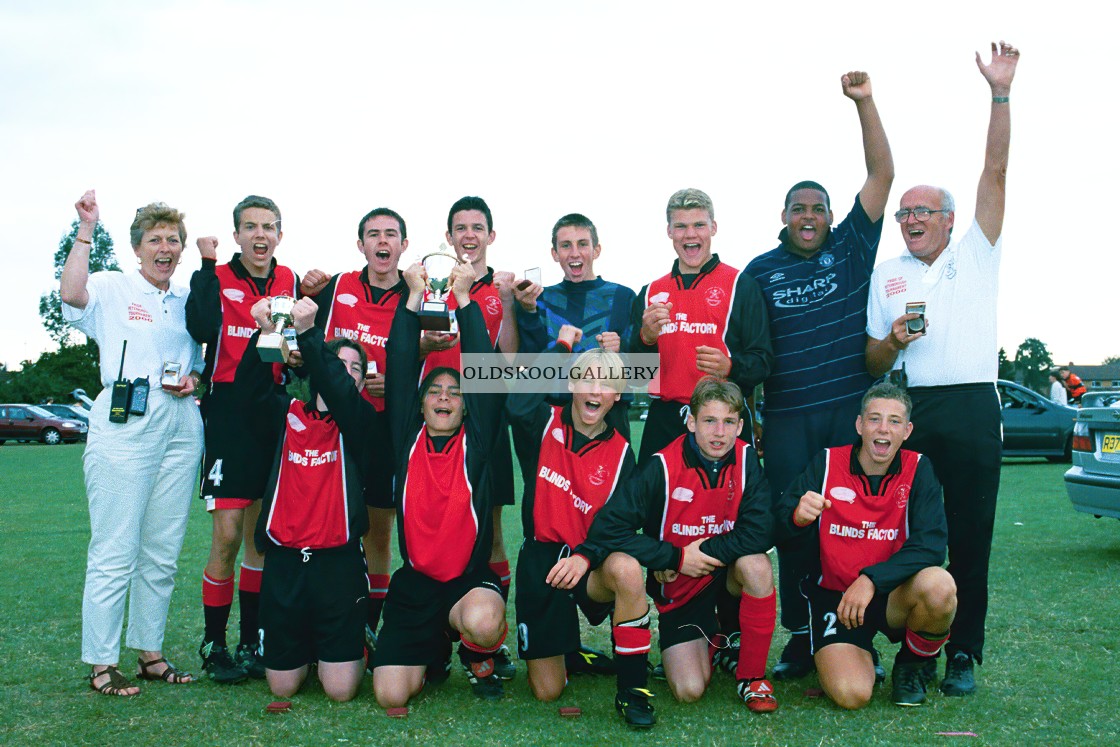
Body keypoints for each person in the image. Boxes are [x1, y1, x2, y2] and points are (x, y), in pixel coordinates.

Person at [865, 41, 1020, 696]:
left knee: (970, 535)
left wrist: (1000, 93)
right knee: (911, 533)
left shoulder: (976, 252)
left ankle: (964, 652)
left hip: (974, 406)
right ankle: (912, 648)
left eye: (922, 211)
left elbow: (995, 173)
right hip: (914, 409)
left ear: (950, 220)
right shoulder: (886, 275)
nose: (910, 221)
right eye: (903, 213)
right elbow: (871, 356)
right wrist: (895, 342)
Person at [745, 70, 894, 681]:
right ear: (782, 215)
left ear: (833, 216)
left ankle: (854, 635)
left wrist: (864, 102)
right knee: (794, 524)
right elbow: (745, 350)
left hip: (846, 412)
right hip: (785, 419)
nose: (809, 216)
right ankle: (803, 636)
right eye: (799, 209)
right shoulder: (759, 269)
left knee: (851, 522)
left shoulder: (852, 247)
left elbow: (882, 175)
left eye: (819, 208)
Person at [61, 190, 204, 696]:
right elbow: (72, 295)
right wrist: (85, 231)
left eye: (173, 240)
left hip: (182, 422)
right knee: (115, 547)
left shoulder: (187, 298)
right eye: (154, 240)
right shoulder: (112, 286)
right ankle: (101, 663)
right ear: (137, 248)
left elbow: (202, 365)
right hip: (125, 420)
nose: (164, 247)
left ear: (182, 249)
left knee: (162, 549)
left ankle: (150, 653)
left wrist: (195, 384)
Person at [588, 377, 779, 712]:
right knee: (689, 689)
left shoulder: (747, 460)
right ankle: (719, 643)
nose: (719, 432)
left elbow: (761, 532)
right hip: (681, 589)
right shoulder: (661, 466)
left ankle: (751, 678)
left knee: (757, 564)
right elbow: (607, 529)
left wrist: (701, 553)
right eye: (709, 421)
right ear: (691, 422)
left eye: (729, 422)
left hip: (727, 577)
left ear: (739, 427)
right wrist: (672, 557)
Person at [185, 195, 314, 682]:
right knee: (228, 535)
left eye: (269, 227)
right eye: (250, 227)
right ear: (236, 235)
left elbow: (297, 347)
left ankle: (251, 642)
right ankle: (213, 642)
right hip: (229, 415)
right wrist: (205, 262)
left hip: (273, 414)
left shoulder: (290, 281)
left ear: (280, 234)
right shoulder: (217, 278)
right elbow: (198, 326)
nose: (260, 235)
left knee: (261, 537)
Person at [371, 260, 508, 709]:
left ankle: (475, 650)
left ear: (467, 406)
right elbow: (399, 357)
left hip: (466, 584)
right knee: (391, 694)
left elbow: (486, 369)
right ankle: (433, 653)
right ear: (421, 403)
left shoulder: (477, 442)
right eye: (434, 391)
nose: (445, 397)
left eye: (454, 392)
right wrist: (412, 298)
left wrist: (466, 299)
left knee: (484, 621)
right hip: (415, 586)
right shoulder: (405, 438)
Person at [774, 383, 956, 708]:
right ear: (860, 425)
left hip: (891, 596)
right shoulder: (827, 463)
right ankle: (860, 653)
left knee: (940, 586)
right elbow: (779, 526)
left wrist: (871, 579)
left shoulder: (919, 468)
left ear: (907, 430)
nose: (883, 429)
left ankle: (911, 666)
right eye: (874, 419)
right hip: (836, 600)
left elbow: (931, 545)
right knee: (852, 695)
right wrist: (797, 517)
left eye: (894, 421)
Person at [507, 336, 654, 727]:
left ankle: (633, 690)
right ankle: (571, 653)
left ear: (617, 396)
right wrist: (558, 347)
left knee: (627, 569)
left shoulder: (622, 450)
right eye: (587, 379)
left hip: (589, 560)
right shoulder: (544, 421)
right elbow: (517, 400)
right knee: (547, 690)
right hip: (543, 559)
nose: (595, 391)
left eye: (606, 384)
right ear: (571, 384)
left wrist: (585, 555)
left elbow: (621, 522)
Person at [238, 297, 377, 702]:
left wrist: (312, 334)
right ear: (318, 367)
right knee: (282, 687)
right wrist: (263, 334)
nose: (346, 374)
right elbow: (248, 389)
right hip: (284, 565)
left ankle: (349, 642)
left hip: (338, 566)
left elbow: (339, 392)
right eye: (340, 365)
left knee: (339, 691)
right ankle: (310, 646)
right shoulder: (286, 414)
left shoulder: (360, 422)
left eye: (356, 369)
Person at [419, 196, 520, 678]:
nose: (469, 235)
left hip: (484, 419)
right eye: (460, 227)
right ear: (449, 235)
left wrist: (514, 305)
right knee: (429, 523)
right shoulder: (427, 278)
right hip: (436, 415)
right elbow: (410, 346)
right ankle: (433, 627)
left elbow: (513, 362)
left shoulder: (502, 287)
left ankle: (486, 644)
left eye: (477, 227)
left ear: (490, 236)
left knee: (492, 528)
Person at [312, 207, 409, 659]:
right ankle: (325, 619)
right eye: (374, 234)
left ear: (403, 246)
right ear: (361, 244)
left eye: (391, 234)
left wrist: (397, 382)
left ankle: (370, 626)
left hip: (388, 429)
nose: (382, 241)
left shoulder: (417, 293)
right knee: (331, 525)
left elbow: (430, 358)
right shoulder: (337, 287)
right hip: (335, 428)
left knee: (379, 534)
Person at [630, 188, 772, 468]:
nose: (690, 234)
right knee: (655, 509)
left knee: (728, 508)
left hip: (722, 418)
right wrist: (645, 339)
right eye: (681, 226)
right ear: (669, 231)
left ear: (713, 228)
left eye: (699, 225)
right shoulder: (650, 293)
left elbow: (763, 362)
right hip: (665, 422)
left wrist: (730, 367)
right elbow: (635, 378)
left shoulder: (740, 286)